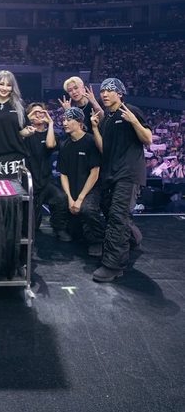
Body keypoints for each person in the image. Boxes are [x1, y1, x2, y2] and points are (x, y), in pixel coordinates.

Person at [90, 78, 152, 282]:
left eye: (110, 90)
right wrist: (96, 128)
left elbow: (148, 139)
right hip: (112, 174)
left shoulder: (131, 110)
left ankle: (114, 266)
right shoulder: (108, 118)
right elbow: (104, 149)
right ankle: (133, 239)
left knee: (117, 217)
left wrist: (134, 121)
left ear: (120, 93)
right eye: (103, 91)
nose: (104, 94)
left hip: (128, 174)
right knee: (111, 212)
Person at [58, 107, 105, 256]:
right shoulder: (64, 145)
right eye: (64, 120)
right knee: (73, 227)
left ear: (79, 122)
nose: (64, 123)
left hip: (91, 189)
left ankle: (97, 241)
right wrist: (70, 199)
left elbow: (95, 172)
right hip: (72, 188)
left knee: (87, 209)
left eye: (68, 120)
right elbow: (63, 174)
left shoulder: (91, 141)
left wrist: (80, 199)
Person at [25, 102, 70, 240]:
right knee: (32, 225)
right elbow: (18, 134)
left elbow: (50, 145)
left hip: (46, 180)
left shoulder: (51, 133)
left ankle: (59, 228)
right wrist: (28, 118)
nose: (38, 115)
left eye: (41, 112)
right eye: (35, 112)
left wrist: (50, 123)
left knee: (61, 198)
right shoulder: (25, 132)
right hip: (29, 183)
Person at [0, 70, 35, 177]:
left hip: (15, 160)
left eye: (8, 85)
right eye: (1, 84)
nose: (4, 88)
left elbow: (20, 131)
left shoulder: (19, 107)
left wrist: (28, 132)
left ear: (13, 88)